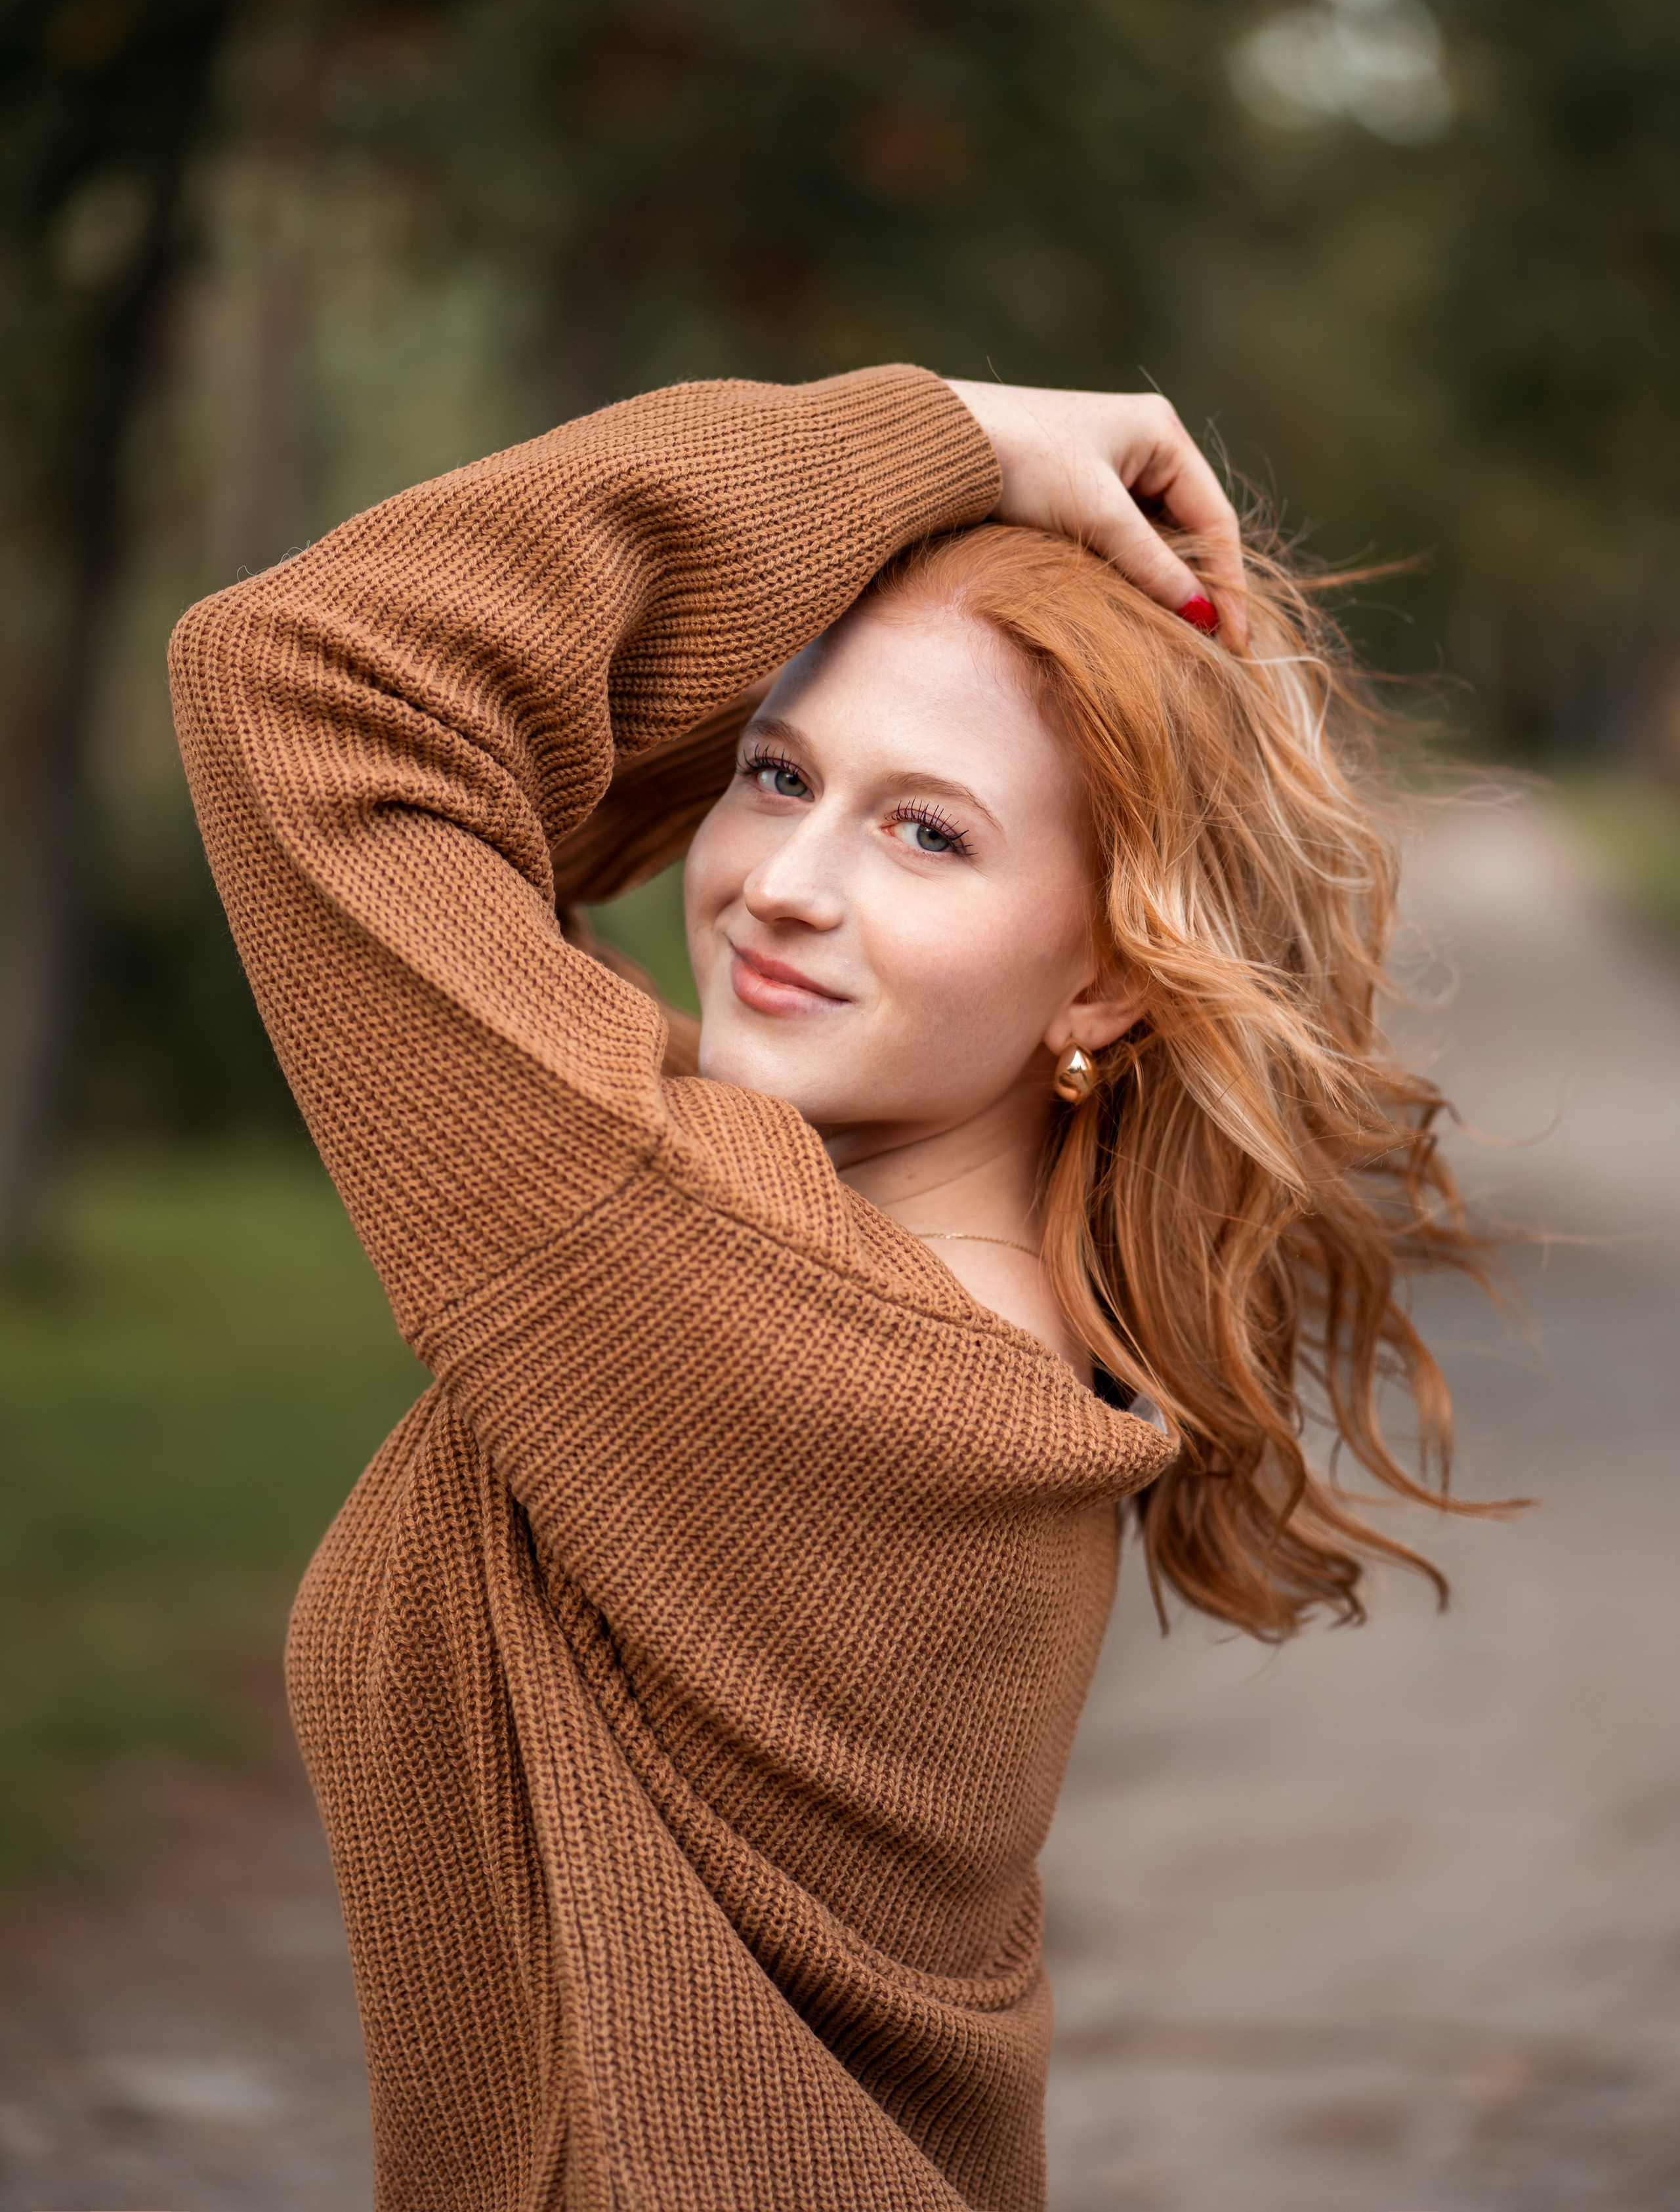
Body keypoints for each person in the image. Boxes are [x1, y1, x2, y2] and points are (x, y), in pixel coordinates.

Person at [171, 365, 1483, 2212]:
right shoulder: (949, 1322)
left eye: (926, 831)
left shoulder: (773, 1317)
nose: (780, 881)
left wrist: (945, 432)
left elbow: (309, 673)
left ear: (1108, 982)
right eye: (775, 771)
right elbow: (473, 787)